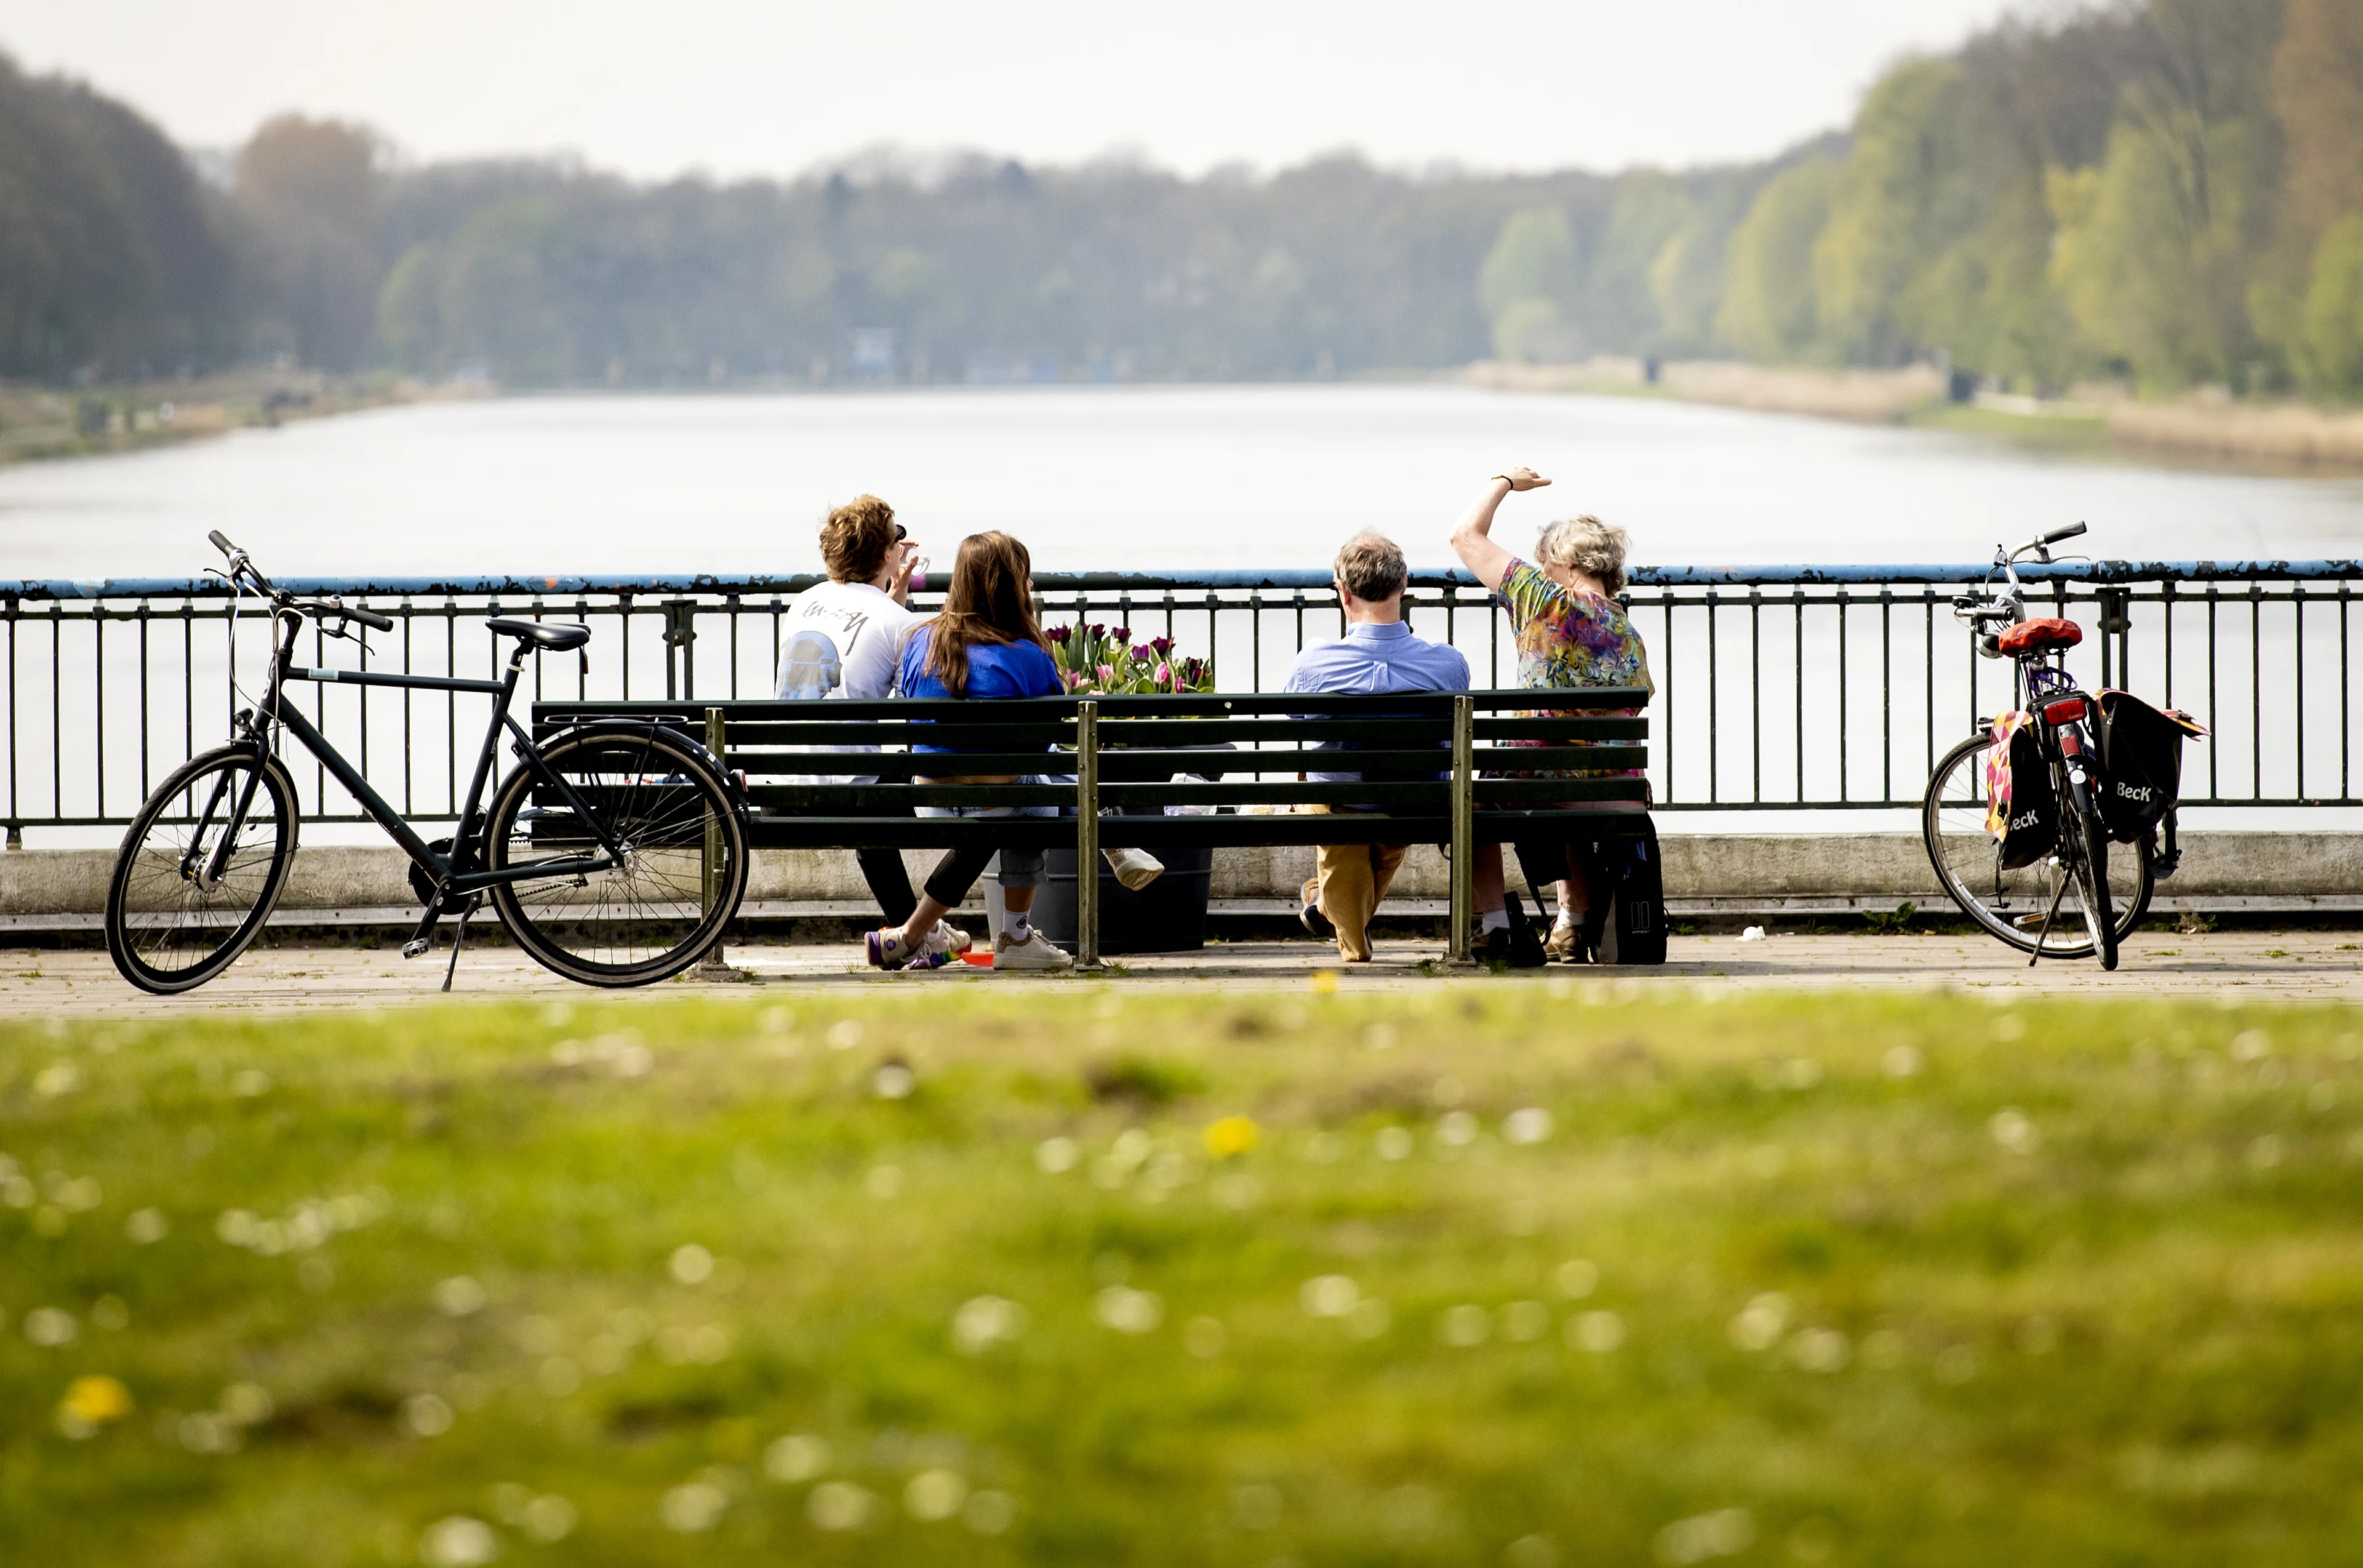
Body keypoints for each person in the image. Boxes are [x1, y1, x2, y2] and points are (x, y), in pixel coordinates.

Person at [863, 530, 1162, 973]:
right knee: (1039, 792)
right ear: (1010, 586)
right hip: (1001, 801)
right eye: (1024, 579)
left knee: (1036, 787)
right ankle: (1019, 932)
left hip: (931, 802)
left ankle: (1106, 840)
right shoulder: (1027, 655)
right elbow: (1044, 740)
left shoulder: (918, 644)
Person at [1448, 467, 1655, 962]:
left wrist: (1504, 482)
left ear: (1564, 562)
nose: (1539, 571)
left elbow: (1464, 536)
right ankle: (1572, 924)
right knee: (1575, 783)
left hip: (1536, 783)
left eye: (1544, 562)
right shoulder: (1630, 636)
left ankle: (1496, 924)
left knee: (1472, 804)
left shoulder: (1544, 600)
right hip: (1616, 795)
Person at [778, 495, 967, 961]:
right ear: (886, 554)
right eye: (895, 541)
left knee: (873, 788)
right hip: (843, 788)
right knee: (988, 792)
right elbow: (921, 710)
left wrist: (891, 596)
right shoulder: (897, 622)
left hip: (783, 781)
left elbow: (858, 640)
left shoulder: (804, 603)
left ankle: (920, 937)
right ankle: (920, 933)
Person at [1283, 532, 1469, 962]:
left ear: (1342, 593)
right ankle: (1328, 907)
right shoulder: (1448, 663)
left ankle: (1336, 917)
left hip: (1341, 805)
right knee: (1383, 819)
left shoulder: (1313, 662)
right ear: (1404, 585)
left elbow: (1296, 722)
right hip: (1414, 804)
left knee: (1323, 791)